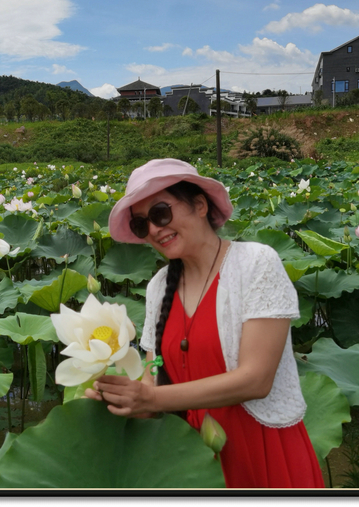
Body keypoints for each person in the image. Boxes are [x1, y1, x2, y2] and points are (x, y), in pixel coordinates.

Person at [86, 158, 324, 489]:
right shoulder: (158, 287)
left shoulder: (256, 264)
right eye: (141, 224)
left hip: (259, 452)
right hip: (188, 460)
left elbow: (256, 380)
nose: (153, 229)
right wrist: (124, 398)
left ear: (199, 205)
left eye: (160, 213)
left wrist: (151, 399)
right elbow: (153, 377)